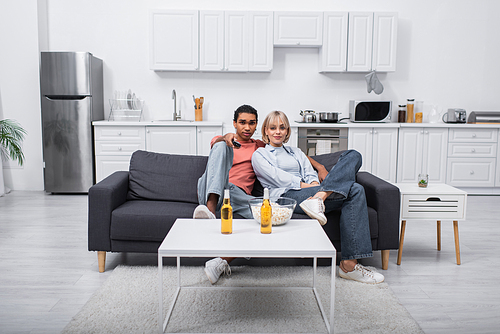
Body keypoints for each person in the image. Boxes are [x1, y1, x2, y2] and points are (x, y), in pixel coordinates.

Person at [194, 105, 327, 284]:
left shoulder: (259, 146)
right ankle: (210, 210)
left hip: (239, 198)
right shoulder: (222, 141)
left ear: (257, 126)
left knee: (268, 216)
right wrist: (224, 137)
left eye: (251, 123)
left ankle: (221, 261)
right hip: (215, 189)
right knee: (221, 147)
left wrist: (319, 167)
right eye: (242, 123)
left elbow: (291, 150)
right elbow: (219, 143)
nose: (247, 128)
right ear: (234, 123)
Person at [251, 110, 384, 284]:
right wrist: (313, 188)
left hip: (311, 193)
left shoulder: (296, 152)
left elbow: (309, 172)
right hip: (286, 197)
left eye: (282, 128)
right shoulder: (259, 155)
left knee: (354, 155)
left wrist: (317, 186)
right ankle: (349, 266)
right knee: (355, 189)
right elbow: (278, 179)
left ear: (287, 131)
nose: (278, 132)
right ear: (266, 131)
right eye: (273, 128)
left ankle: (319, 198)